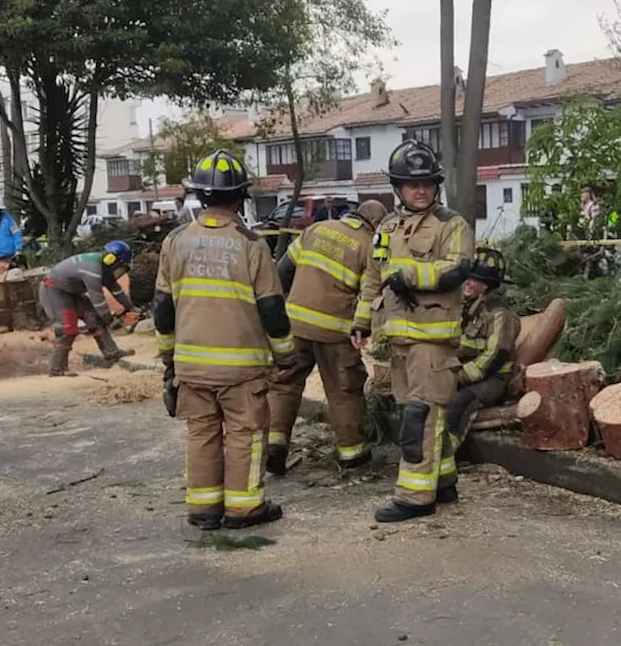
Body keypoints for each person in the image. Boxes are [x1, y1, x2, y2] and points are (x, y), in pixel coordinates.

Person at [153, 150, 296, 535]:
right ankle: (245, 508)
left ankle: (203, 509)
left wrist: (169, 358)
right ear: (240, 198)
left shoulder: (175, 241)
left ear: (200, 195)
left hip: (191, 366)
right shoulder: (251, 244)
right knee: (245, 435)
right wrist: (285, 355)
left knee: (201, 434)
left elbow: (162, 307)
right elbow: (272, 310)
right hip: (241, 368)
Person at [353, 139, 474, 523]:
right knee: (422, 414)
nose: (419, 190)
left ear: (436, 185)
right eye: (410, 184)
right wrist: (359, 321)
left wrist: (409, 274)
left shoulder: (452, 225)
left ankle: (415, 498)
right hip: (400, 340)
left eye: (426, 183)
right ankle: (444, 481)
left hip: (433, 341)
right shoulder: (388, 226)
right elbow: (373, 276)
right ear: (398, 188)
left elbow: (458, 268)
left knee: (419, 417)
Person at [266, 198, 389, 475]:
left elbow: (283, 270)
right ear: (376, 223)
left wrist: (281, 309)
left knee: (284, 384)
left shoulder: (315, 229)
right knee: (344, 390)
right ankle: (352, 454)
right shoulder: (369, 245)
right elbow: (370, 294)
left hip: (295, 324)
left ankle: (274, 446)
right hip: (334, 330)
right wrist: (364, 326)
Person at [442, 247, 520, 498]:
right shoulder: (466, 308)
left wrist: (461, 376)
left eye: (473, 280)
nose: (467, 283)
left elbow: (495, 355)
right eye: (466, 278)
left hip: (492, 379)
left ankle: (446, 453)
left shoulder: (500, 315)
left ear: (486, 285)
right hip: (465, 371)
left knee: (459, 402)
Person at [39, 241, 138, 376]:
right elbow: (98, 298)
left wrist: (130, 307)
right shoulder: (93, 270)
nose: (120, 272)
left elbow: (116, 290)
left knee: (94, 318)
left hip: (70, 291)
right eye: (121, 268)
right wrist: (109, 319)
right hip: (53, 290)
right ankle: (57, 368)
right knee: (67, 328)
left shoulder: (104, 267)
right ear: (112, 260)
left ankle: (111, 353)